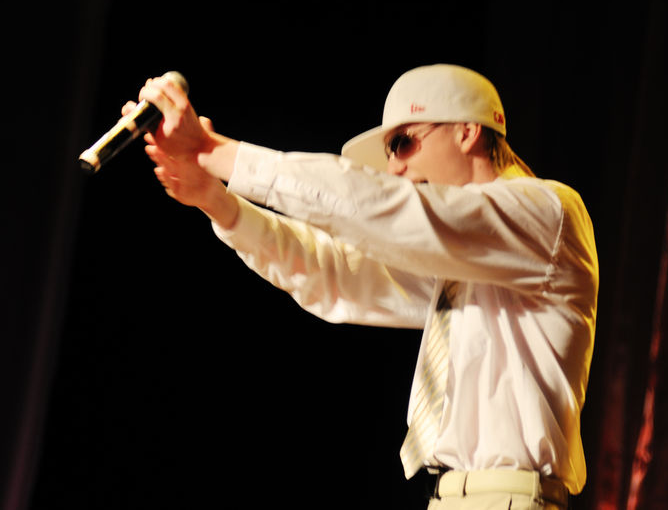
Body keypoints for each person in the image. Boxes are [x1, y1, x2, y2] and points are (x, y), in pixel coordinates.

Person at [127, 64, 599, 509]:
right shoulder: (463, 257)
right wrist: (216, 199)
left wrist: (214, 150)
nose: (394, 169)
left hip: (509, 496)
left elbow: (385, 208)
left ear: (467, 131)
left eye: (403, 143)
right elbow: (332, 271)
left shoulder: (546, 212)